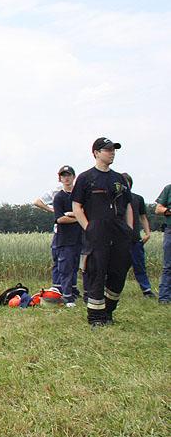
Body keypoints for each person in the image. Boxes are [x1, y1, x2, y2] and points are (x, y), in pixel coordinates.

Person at [71, 138, 134, 327]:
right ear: (96, 153)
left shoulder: (119, 179)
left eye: (113, 149)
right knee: (96, 273)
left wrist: (129, 230)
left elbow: (128, 206)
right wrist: (88, 228)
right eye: (107, 150)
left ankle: (108, 311)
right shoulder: (85, 178)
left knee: (119, 272)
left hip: (119, 231)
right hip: (97, 231)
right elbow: (76, 206)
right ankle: (96, 317)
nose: (112, 153)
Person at [49, 166, 82, 306]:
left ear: (74, 177)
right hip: (65, 239)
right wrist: (78, 218)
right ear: (60, 179)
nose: (66, 178)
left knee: (75, 266)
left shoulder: (80, 195)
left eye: (69, 175)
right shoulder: (59, 197)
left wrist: (73, 214)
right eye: (64, 176)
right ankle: (67, 297)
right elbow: (60, 219)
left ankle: (73, 291)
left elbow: (87, 211)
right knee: (65, 268)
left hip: (80, 237)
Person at [119, 173, 154, 298]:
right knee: (117, 268)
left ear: (130, 184)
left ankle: (146, 290)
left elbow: (143, 217)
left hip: (135, 240)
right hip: (119, 240)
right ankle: (113, 290)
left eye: (127, 182)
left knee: (139, 266)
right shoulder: (115, 199)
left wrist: (148, 233)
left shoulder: (138, 199)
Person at [155, 183, 171, 304]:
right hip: (170, 230)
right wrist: (168, 210)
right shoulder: (169, 188)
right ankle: (164, 297)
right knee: (168, 265)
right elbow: (158, 209)